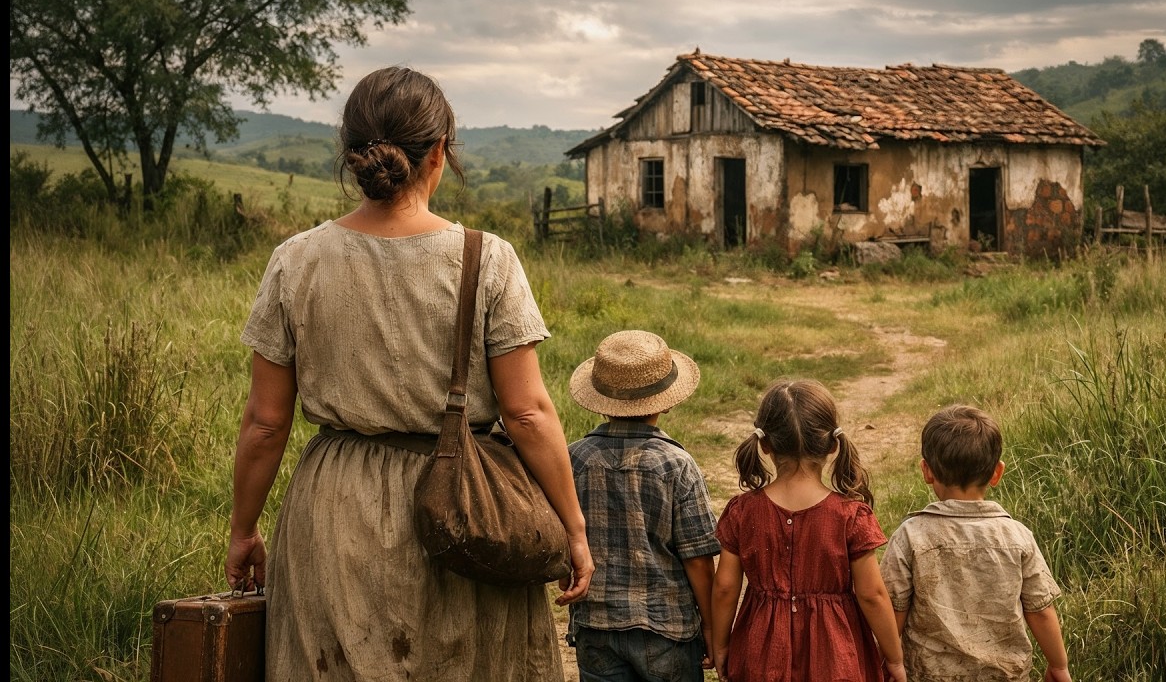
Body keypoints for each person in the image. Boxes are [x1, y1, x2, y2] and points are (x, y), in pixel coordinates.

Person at [223, 65, 594, 681]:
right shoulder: (488, 259)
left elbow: (266, 423)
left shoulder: (295, 261)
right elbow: (527, 413)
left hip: (334, 512)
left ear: (351, 155)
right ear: (440, 154)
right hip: (467, 508)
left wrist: (243, 529)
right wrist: (573, 528)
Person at [711, 378, 906, 682]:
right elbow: (871, 595)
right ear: (832, 445)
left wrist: (721, 644)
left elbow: (724, 589)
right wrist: (894, 658)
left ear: (764, 444)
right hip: (835, 656)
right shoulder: (850, 516)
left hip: (760, 653)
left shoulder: (743, 511)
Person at [564, 329, 721, 682]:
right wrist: (711, 625)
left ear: (600, 397)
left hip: (596, 626)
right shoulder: (676, 465)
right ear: (666, 401)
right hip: (667, 630)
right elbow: (697, 558)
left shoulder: (573, 459)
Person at [879, 404, 1071, 682]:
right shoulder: (1017, 537)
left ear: (927, 471)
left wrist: (888, 660)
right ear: (997, 473)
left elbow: (893, 611)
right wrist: (1059, 665)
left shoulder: (911, 536)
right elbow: (1040, 611)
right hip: (1006, 675)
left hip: (929, 675)